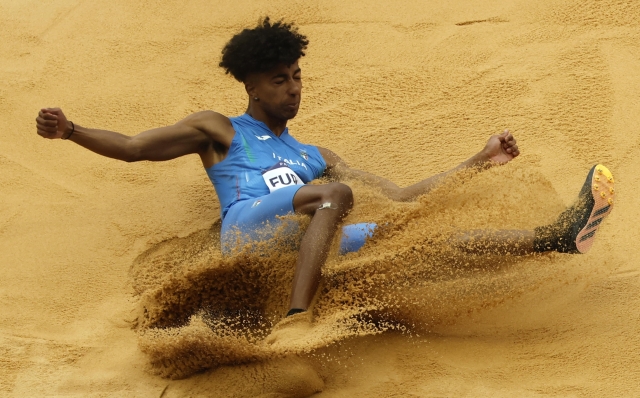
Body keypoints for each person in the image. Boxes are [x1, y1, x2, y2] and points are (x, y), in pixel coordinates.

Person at [36, 18, 615, 329]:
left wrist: (479, 159)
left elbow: (398, 196)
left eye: (296, 76)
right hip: (249, 233)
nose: (293, 89)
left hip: (317, 235)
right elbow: (136, 147)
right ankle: (298, 316)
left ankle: (555, 238)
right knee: (332, 194)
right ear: (251, 86)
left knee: (413, 234)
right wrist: (73, 130)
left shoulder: (315, 152)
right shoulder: (222, 130)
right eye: (279, 80)